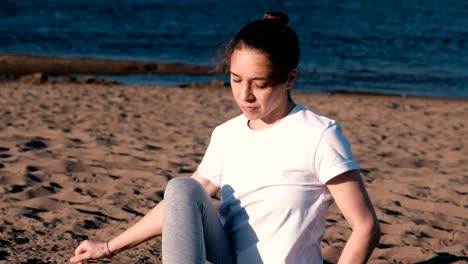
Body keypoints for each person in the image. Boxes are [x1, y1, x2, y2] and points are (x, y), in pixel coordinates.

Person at [70, 11, 380, 264]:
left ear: (290, 78)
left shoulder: (319, 135)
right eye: (235, 79)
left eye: (259, 83)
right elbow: (178, 206)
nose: (245, 94)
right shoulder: (227, 134)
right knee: (182, 187)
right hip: (226, 259)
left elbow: (365, 227)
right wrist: (108, 247)